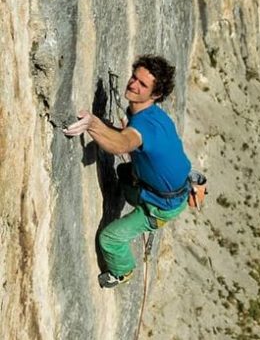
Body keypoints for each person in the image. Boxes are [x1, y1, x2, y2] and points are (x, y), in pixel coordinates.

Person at [63, 54, 191, 288]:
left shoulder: (144, 125)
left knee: (109, 239)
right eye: (134, 77)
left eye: (143, 84)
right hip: (172, 190)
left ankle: (122, 271)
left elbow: (123, 143)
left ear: (155, 95)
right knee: (123, 172)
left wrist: (93, 124)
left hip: (161, 207)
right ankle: (138, 201)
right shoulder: (152, 115)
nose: (133, 84)